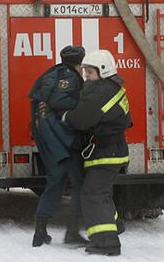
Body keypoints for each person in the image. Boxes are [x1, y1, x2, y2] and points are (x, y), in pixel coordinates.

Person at [63, 49, 131, 256]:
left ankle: (107, 242)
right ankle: (113, 226)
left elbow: (81, 119)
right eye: (85, 72)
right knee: (100, 193)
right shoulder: (108, 87)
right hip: (108, 150)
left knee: (93, 193)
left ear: (103, 71)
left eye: (90, 73)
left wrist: (66, 116)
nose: (86, 77)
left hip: (107, 151)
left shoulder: (102, 90)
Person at [29, 45, 88, 247]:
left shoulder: (53, 72)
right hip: (63, 139)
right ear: (79, 63)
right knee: (79, 184)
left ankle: (40, 231)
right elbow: (59, 99)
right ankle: (72, 232)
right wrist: (82, 105)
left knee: (55, 182)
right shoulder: (68, 77)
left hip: (50, 139)